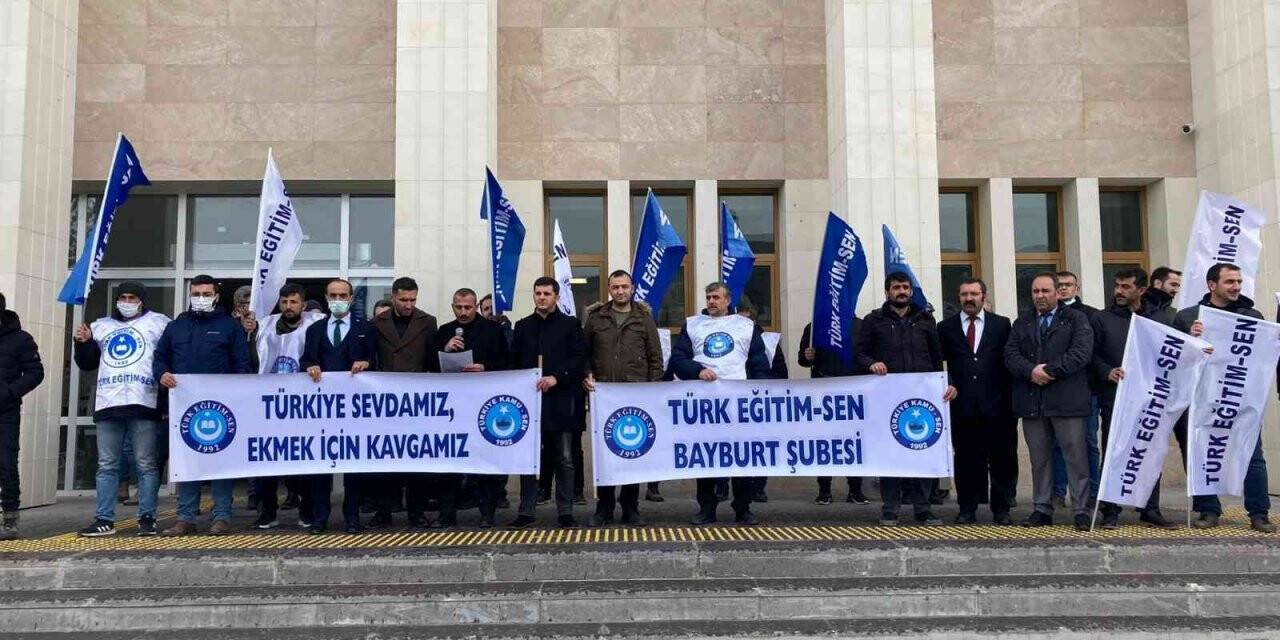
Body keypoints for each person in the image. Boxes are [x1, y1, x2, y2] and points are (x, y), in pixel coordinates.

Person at [1173, 263, 1274, 533]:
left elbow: (1260, 356)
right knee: (1203, 453)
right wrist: (1190, 340)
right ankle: (1208, 509)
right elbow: (1175, 359)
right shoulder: (1187, 317)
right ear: (1212, 285)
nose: (1237, 287)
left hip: (1239, 398)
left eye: (1239, 281)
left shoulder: (1252, 315)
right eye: (1230, 282)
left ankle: (1259, 512)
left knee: (1252, 455)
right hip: (1203, 401)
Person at [155, 275, 252, 536]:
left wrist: (235, 391)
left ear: (216, 296)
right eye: (196, 293)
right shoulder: (176, 326)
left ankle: (221, 517)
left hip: (221, 407)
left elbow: (242, 363)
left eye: (206, 294)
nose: (201, 298)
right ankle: (185, 518)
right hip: (184, 408)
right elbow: (160, 358)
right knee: (188, 461)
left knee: (220, 461)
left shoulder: (230, 327)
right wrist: (162, 373)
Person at [73, 282, 170, 537]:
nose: (127, 301)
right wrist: (83, 343)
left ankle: (147, 518)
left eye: (132, 297)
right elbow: (87, 363)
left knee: (146, 465)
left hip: (144, 402)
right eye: (123, 297)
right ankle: (104, 519)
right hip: (109, 404)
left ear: (142, 300)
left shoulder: (159, 323)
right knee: (107, 465)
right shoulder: (100, 326)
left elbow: (168, 357)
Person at [857, 272, 954, 527]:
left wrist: (945, 383)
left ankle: (923, 509)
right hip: (887, 399)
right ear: (887, 292)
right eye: (896, 287)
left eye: (905, 287)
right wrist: (871, 363)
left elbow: (937, 358)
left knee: (921, 451)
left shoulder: (925, 320)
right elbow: (860, 353)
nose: (901, 291)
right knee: (891, 454)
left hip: (921, 399)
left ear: (911, 291)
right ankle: (890, 508)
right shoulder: (873, 320)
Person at [670, 282, 771, 526]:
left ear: (728, 300)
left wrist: (756, 396)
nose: (712, 301)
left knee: (741, 458)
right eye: (708, 297)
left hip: (739, 405)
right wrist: (697, 370)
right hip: (704, 407)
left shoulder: (745, 326)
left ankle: (743, 507)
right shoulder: (693, 325)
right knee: (706, 458)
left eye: (716, 297)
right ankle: (706, 508)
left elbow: (759, 365)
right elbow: (678, 360)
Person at [1005, 272, 1094, 531]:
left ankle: (1080, 509)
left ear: (1057, 292)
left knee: (1075, 457)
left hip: (1067, 400)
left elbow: (1081, 353)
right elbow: (1010, 355)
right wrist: (1031, 370)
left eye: (1045, 291)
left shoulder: (1077, 319)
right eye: (1036, 292)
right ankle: (1042, 508)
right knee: (1039, 458)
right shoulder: (1022, 322)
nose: (1040, 296)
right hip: (1033, 401)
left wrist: (1050, 371)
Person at [1091, 268, 1179, 530]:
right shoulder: (1102, 319)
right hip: (1115, 399)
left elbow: (1174, 351)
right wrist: (1107, 371)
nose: (1119, 291)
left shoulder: (1159, 318)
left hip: (1151, 400)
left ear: (1141, 290)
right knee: (1113, 453)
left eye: (1126, 287)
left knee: (1150, 451)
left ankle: (1150, 508)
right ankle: (1110, 510)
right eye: (1117, 285)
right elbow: (1091, 355)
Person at [582, 270, 664, 528]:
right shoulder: (596, 318)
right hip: (603, 395)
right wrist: (586, 374)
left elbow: (655, 358)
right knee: (606, 453)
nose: (620, 291)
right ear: (609, 289)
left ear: (632, 288)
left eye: (624, 287)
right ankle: (603, 508)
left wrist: (651, 389)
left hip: (635, 396)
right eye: (615, 287)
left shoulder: (644, 319)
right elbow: (583, 353)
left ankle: (631, 507)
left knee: (632, 451)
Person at [243, 283, 325, 531]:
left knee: (303, 463)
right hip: (270, 405)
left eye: (294, 302)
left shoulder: (315, 323)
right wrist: (249, 332)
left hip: (303, 406)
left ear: (303, 303)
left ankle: (307, 510)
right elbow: (253, 356)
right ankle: (267, 512)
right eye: (284, 302)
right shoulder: (266, 324)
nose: (289, 307)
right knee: (267, 462)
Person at [508, 277, 587, 528]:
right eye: (538, 293)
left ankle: (565, 511)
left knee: (564, 457)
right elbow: (513, 361)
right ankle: (526, 511)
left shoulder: (571, 325)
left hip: (561, 402)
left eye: (546, 293)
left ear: (557, 297)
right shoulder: (522, 327)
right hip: (530, 404)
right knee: (529, 459)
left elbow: (578, 359)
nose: (541, 297)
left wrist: (557, 377)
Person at [938, 278, 1017, 526]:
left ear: (984, 296)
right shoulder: (945, 327)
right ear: (959, 297)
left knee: (1002, 460)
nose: (969, 298)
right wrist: (947, 383)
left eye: (974, 293)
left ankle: (1002, 510)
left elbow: (1010, 361)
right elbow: (939, 363)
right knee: (966, 460)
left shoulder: (1002, 325)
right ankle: (967, 509)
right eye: (964, 294)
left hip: (998, 406)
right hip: (962, 407)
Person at [301, 278, 375, 534]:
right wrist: (309, 367)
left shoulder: (365, 328)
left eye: (343, 295)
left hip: (354, 411)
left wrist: (366, 364)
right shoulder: (314, 330)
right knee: (321, 466)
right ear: (326, 297)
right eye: (333, 295)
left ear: (351, 299)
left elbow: (376, 362)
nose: (338, 300)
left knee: (353, 467)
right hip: (322, 411)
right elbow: (306, 360)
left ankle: (352, 518)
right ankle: (320, 518)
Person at [434, 287, 510, 528]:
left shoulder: (492, 330)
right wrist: (445, 351)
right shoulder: (444, 332)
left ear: (476, 306)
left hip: (483, 404)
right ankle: (447, 513)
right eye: (459, 307)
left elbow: (507, 363)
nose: (463, 312)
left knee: (484, 461)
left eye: (468, 307)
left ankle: (487, 512)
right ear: (452, 307)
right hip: (452, 408)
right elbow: (429, 366)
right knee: (450, 462)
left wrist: (484, 367)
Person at [369, 277, 440, 528]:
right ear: (393, 298)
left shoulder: (428, 322)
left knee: (416, 460)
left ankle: (416, 512)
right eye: (404, 300)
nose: (409, 305)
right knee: (385, 460)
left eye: (413, 300)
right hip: (385, 401)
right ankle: (383, 512)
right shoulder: (377, 323)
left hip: (416, 401)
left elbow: (434, 362)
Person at [798, 319, 870, 506]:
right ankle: (824, 490)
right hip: (823, 392)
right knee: (824, 442)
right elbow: (802, 360)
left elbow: (867, 356)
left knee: (854, 442)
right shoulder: (814, 327)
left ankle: (855, 490)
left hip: (853, 392)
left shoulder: (860, 326)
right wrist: (808, 356)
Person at [1050, 270, 1101, 509]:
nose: (1063, 289)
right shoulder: (1044, 315)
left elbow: (1093, 353)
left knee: (1089, 442)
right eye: (1059, 285)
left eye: (1068, 285)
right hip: (1053, 389)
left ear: (1076, 289)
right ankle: (1058, 492)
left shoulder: (1091, 316)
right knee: (1058, 444)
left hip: (1085, 389)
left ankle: (1092, 492)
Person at [0, 292, 44, 539]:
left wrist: (10, 392)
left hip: (5, 410)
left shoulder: (20, 339)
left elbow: (35, 372)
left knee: (6, 464)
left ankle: (10, 518)